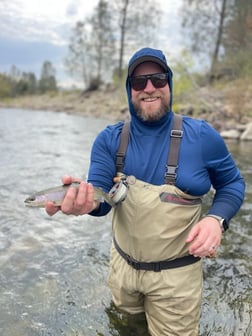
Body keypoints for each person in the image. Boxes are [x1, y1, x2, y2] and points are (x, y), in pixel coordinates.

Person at [46, 47, 245, 336]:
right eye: (139, 82)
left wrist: (217, 220)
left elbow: (233, 184)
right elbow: (101, 200)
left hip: (177, 278)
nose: (149, 88)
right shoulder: (109, 139)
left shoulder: (203, 136)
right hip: (122, 270)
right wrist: (83, 203)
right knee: (126, 329)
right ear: (129, 90)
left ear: (169, 84)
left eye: (158, 78)